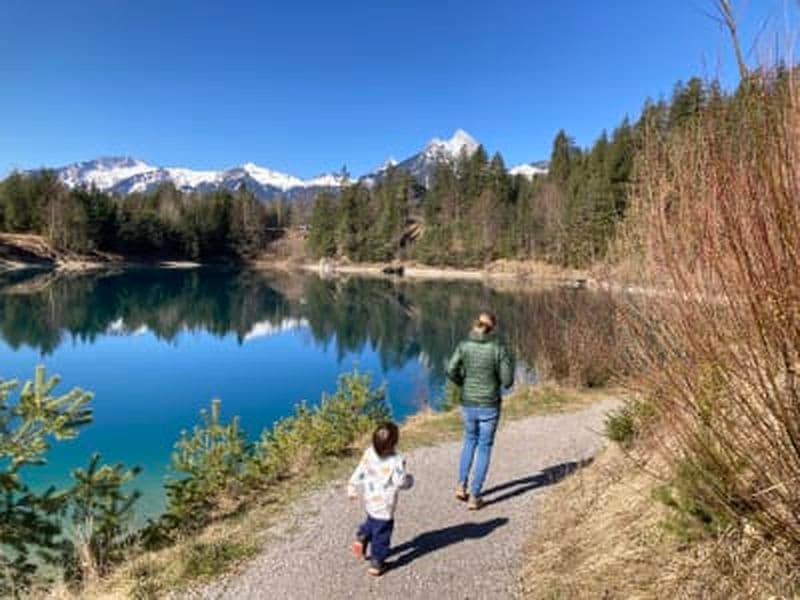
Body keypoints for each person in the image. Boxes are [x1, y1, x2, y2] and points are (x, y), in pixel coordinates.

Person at [447, 311, 514, 510]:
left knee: (469, 440)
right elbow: (508, 381)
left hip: (468, 403)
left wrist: (463, 383)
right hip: (489, 405)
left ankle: (461, 485)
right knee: (484, 447)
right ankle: (475, 496)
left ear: (475, 324)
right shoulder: (498, 348)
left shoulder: (463, 345)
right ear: (492, 328)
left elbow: (450, 369)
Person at [348, 421, 414, 576]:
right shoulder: (397, 460)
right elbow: (400, 482)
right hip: (385, 504)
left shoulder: (369, 452)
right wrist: (409, 480)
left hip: (370, 499)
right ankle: (377, 561)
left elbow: (360, 470)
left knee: (372, 519)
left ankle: (362, 535)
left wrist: (351, 486)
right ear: (394, 442)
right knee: (382, 532)